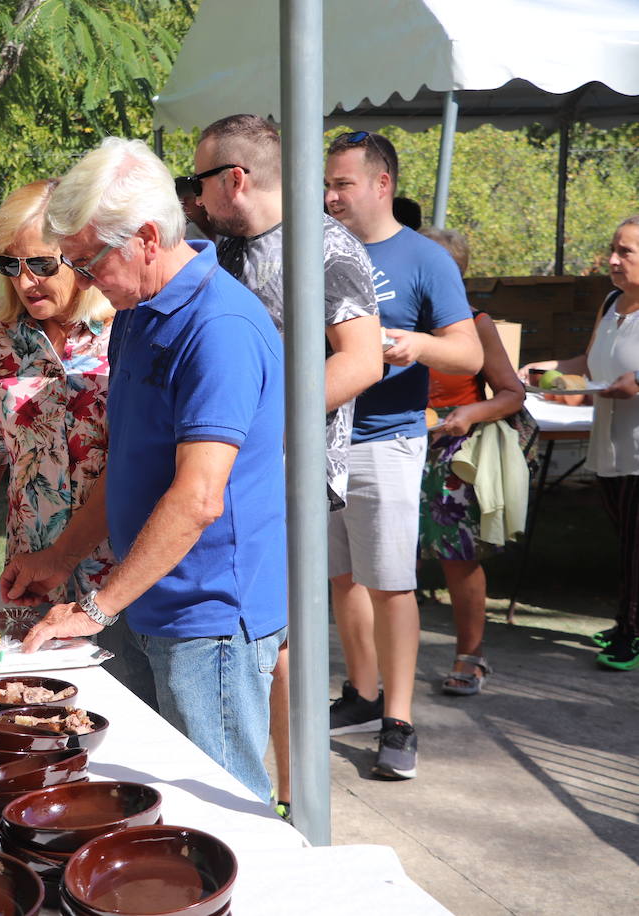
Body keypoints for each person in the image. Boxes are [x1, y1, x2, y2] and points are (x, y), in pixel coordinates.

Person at [20, 137, 288, 802]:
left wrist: (96, 606)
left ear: (144, 237)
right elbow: (131, 460)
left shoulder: (218, 327)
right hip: (144, 599)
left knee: (221, 808)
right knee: (148, 795)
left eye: (88, 262)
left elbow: (198, 498)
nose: (80, 280)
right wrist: (63, 557)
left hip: (208, 617)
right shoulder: (138, 309)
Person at [189, 114, 382, 816]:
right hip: (233, 474)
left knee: (283, 646)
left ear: (234, 180)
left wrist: (258, 427)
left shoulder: (322, 248)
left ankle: (298, 807)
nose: (195, 197)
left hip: (291, 479)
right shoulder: (224, 246)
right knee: (247, 636)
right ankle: (263, 792)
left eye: (200, 181)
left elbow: (361, 361)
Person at [0, 180, 146, 703]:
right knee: (35, 714)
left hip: (125, 578)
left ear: (76, 254)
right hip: (33, 577)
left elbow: (138, 462)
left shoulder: (129, 327)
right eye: (10, 266)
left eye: (42, 265)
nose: (26, 282)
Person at [323, 130, 482, 780]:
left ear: (381, 184)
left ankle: (400, 719)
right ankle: (361, 694)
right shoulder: (318, 251)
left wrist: (417, 344)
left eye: (342, 184)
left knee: (390, 581)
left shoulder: (423, 258)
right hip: (322, 437)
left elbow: (470, 355)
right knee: (340, 576)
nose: (330, 196)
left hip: (387, 438)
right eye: (326, 184)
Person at [521, 216, 639, 670]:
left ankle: (629, 633)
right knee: (626, 537)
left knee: (635, 545)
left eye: (624, 252)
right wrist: (543, 368)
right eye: (613, 248)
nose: (612, 260)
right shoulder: (612, 301)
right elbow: (588, 366)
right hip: (609, 446)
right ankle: (628, 623)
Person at [418, 227, 532, 694]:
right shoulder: (391, 317)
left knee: (457, 557)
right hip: (394, 442)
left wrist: (469, 414)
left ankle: (471, 654)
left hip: (452, 452)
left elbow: (511, 393)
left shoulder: (474, 322)